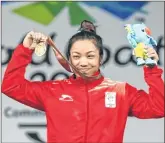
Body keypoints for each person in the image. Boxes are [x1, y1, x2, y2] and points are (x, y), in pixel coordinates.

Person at [1, 20, 164, 143]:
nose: (83, 62)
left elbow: (158, 108)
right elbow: (11, 86)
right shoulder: (53, 90)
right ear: (69, 58)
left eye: (90, 56)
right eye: (77, 56)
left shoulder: (121, 91)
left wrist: (151, 70)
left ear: (101, 58)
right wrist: (25, 49)